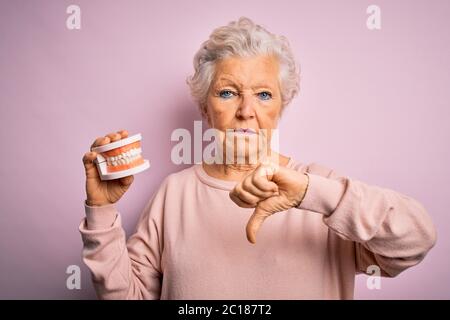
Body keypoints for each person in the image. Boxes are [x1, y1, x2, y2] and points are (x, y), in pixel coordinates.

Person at [79, 17, 437, 299]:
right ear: (206, 108)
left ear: (282, 107)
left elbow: (415, 240)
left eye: (264, 94)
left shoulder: (321, 189)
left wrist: (311, 194)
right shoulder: (174, 194)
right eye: (227, 93)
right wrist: (101, 211)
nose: (246, 111)